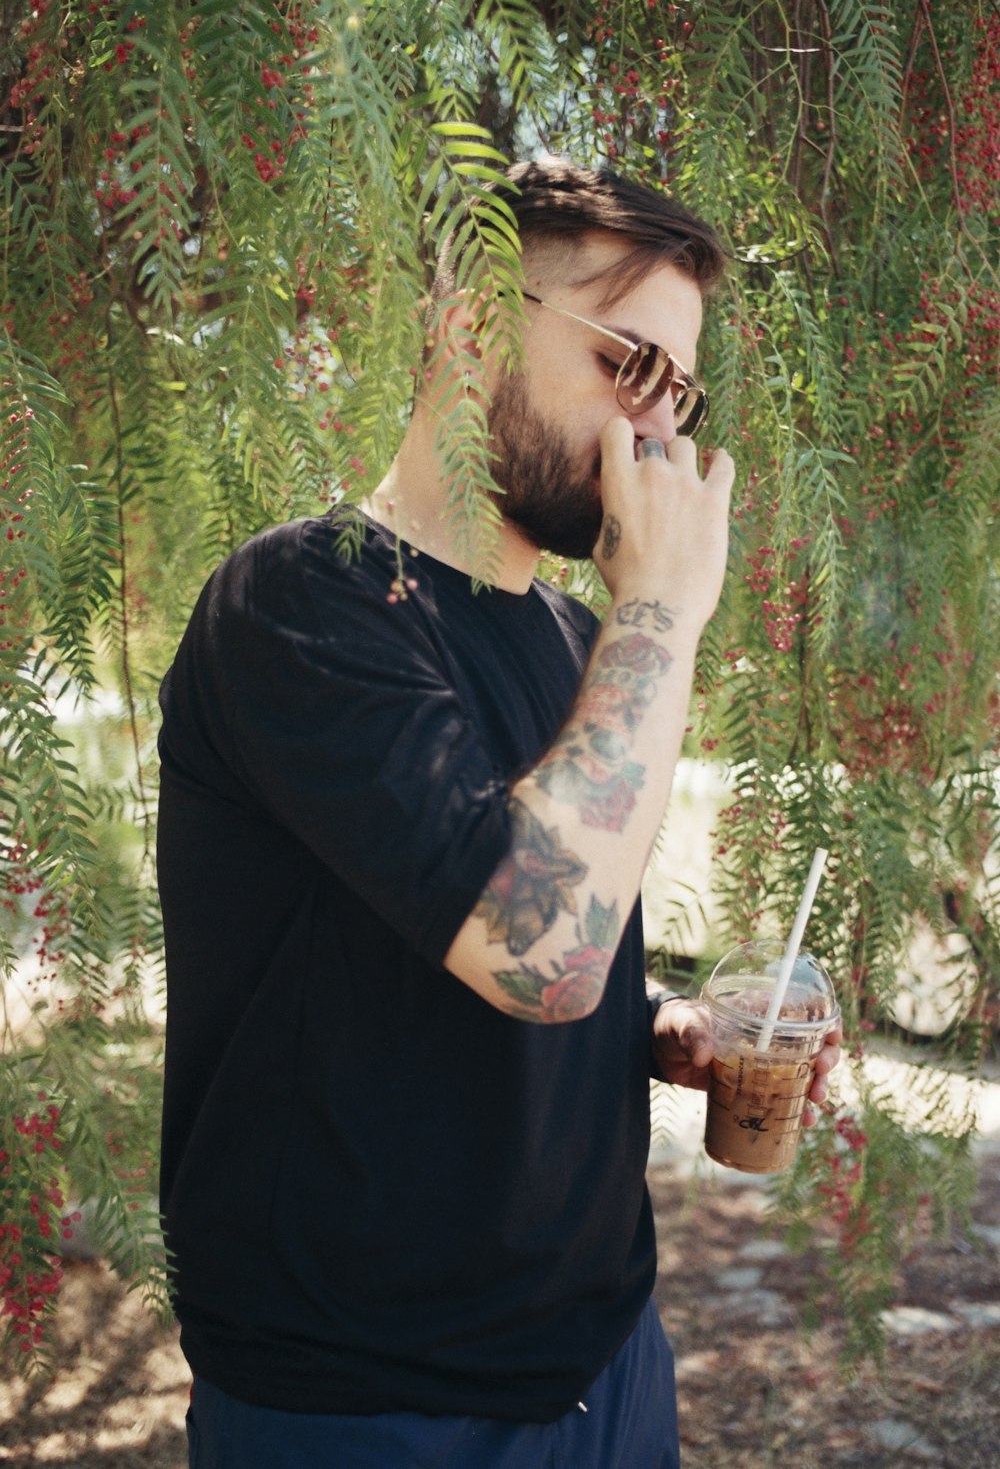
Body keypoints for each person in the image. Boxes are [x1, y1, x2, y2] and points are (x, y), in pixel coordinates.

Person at [156, 159, 841, 1469]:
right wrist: (663, 612)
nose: (655, 432)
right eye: (627, 363)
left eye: (679, 393)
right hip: (368, 1404)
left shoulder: (580, 640)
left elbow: (461, 945)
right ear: (470, 321)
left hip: (607, 1362)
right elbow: (540, 950)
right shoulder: (296, 606)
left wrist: (662, 1029)